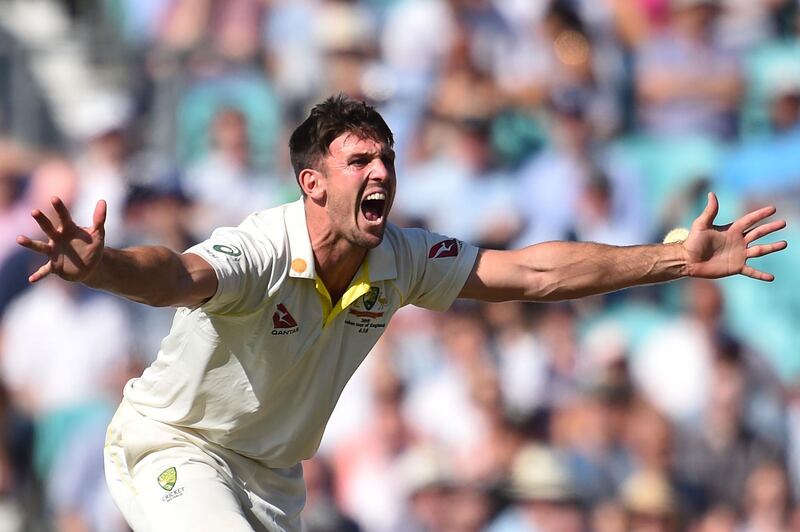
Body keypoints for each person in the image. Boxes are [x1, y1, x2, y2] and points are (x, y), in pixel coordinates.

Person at [15, 95, 788, 531]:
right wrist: (105, 266)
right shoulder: (257, 249)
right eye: (360, 161)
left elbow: (534, 272)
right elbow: (175, 276)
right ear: (312, 183)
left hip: (273, 477)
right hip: (172, 445)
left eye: (387, 158)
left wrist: (675, 258)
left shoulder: (403, 258)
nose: (382, 171)